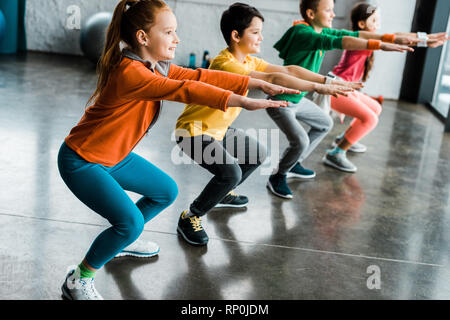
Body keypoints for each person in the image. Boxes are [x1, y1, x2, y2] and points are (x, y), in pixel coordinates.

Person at [58, 0, 297, 300]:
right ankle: (79, 279)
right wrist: (244, 100)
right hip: (83, 161)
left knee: (166, 191)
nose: (177, 39)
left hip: (114, 156)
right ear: (143, 38)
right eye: (169, 32)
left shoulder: (155, 66)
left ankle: (121, 240)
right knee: (129, 222)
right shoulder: (132, 73)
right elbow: (185, 90)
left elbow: (197, 76)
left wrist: (250, 82)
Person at [174, 2, 356, 247]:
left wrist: (326, 80)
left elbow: (289, 69)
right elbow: (272, 78)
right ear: (236, 36)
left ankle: (223, 192)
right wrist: (318, 87)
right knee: (231, 173)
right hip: (192, 133)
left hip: (217, 131)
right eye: (256, 32)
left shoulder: (248, 60)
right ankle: (191, 216)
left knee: (257, 154)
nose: (262, 37)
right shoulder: (225, 64)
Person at [326, 2, 449, 172]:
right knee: (370, 119)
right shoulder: (359, 39)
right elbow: (396, 36)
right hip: (335, 89)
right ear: (362, 24)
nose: (378, 25)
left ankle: (344, 138)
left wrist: (427, 39)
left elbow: (396, 35)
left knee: (375, 108)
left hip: (347, 88)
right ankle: (336, 153)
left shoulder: (368, 37)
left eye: (378, 20)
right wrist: (426, 40)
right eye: (374, 20)